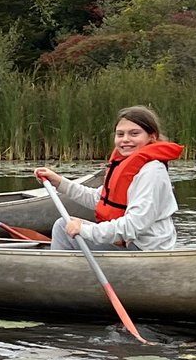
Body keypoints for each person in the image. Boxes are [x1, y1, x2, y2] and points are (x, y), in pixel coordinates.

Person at [33, 105, 183, 251]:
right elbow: (98, 199)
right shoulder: (127, 165)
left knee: (62, 228)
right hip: (128, 241)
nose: (125, 139)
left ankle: (60, 272)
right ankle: (70, 270)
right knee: (64, 224)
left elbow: (135, 224)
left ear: (152, 137)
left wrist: (85, 231)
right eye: (120, 134)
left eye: (134, 134)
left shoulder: (152, 172)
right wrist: (59, 182)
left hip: (145, 250)